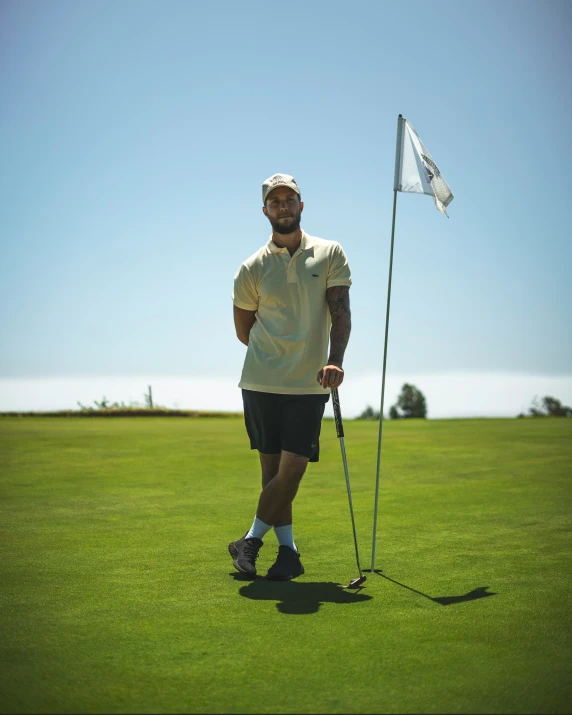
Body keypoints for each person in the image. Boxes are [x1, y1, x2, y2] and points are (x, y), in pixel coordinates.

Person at [229, 173, 352, 580]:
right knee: (273, 474)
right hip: (261, 382)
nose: (283, 206)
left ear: (302, 205)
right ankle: (288, 554)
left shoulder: (330, 252)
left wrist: (335, 359)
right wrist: (276, 352)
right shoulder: (251, 267)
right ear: (265, 210)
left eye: (290, 199)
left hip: (308, 383)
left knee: (293, 469)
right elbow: (243, 330)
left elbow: (341, 313)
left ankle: (249, 540)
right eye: (275, 201)